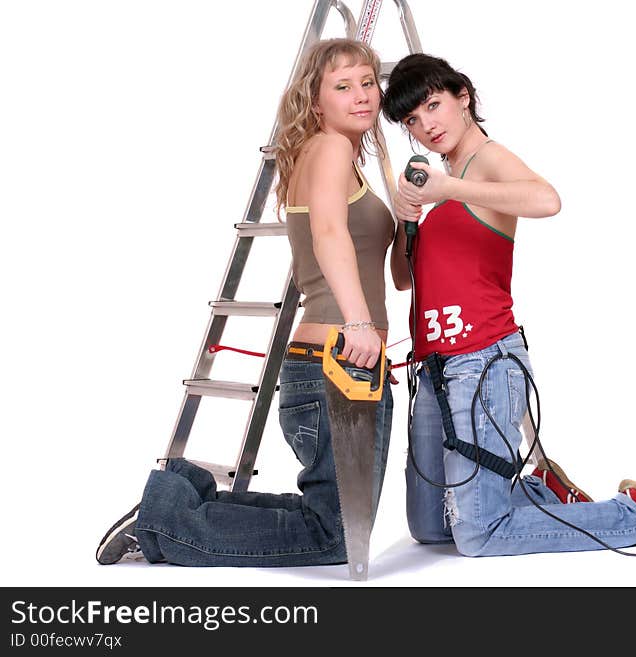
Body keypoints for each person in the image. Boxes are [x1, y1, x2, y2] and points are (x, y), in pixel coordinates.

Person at [95, 38, 409, 566]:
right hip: (340, 359)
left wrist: (409, 217)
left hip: (341, 361)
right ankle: (164, 520)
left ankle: (186, 494)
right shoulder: (329, 147)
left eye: (368, 83)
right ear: (316, 102)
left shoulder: (339, 157)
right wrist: (358, 322)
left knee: (327, 521)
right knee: (334, 536)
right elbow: (331, 232)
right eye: (343, 86)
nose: (362, 95)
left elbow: (395, 276)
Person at [384, 53, 636, 557]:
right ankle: (541, 491)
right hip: (435, 366)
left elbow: (547, 200)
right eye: (413, 121)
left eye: (434, 106)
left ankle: (635, 513)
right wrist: (408, 217)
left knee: (478, 535)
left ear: (463, 98)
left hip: (481, 362)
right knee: (431, 527)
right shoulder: (444, 177)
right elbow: (403, 278)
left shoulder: (483, 160)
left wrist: (449, 189)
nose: (426, 126)